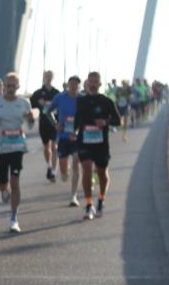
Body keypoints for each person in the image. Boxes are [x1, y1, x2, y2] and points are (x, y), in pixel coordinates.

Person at [0, 72, 35, 232]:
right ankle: (4, 190)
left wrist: (31, 120)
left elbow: (29, 126)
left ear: (18, 87)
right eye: (8, 85)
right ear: (4, 86)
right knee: (4, 184)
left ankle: (14, 218)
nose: (11, 88)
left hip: (18, 147)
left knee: (15, 182)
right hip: (0, 148)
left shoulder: (24, 103)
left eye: (14, 86)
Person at [74, 71, 121, 220]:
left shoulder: (107, 101)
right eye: (90, 82)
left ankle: (101, 199)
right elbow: (76, 120)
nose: (93, 84)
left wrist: (106, 122)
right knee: (86, 168)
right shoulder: (81, 101)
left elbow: (118, 121)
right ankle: (88, 205)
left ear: (100, 84)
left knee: (102, 173)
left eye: (95, 82)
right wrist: (70, 132)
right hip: (84, 142)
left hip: (101, 144)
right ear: (87, 83)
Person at [45, 76, 83, 206]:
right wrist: (55, 124)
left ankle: (73, 196)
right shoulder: (60, 97)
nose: (73, 86)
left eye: (76, 84)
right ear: (68, 85)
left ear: (79, 86)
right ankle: (64, 171)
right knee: (63, 170)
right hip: (63, 137)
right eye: (71, 84)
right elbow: (47, 112)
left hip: (77, 137)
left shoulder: (82, 99)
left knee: (76, 162)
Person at [30, 70, 60, 182]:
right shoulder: (37, 93)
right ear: (43, 77)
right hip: (43, 123)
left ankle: (54, 170)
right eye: (46, 76)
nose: (48, 78)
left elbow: (61, 107)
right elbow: (32, 108)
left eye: (50, 76)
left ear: (53, 78)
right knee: (46, 146)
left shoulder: (57, 92)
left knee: (54, 146)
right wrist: (38, 105)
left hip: (54, 123)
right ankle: (49, 165)